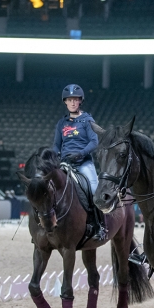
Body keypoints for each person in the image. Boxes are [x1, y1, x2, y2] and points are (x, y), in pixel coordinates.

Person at [52, 83, 105, 241]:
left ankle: (99, 226)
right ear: (65, 102)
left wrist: (80, 154)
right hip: (65, 162)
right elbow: (56, 144)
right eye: (70, 100)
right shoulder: (61, 123)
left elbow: (94, 142)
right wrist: (56, 155)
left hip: (83, 162)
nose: (73, 102)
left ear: (80, 101)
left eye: (75, 99)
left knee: (94, 190)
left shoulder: (87, 120)